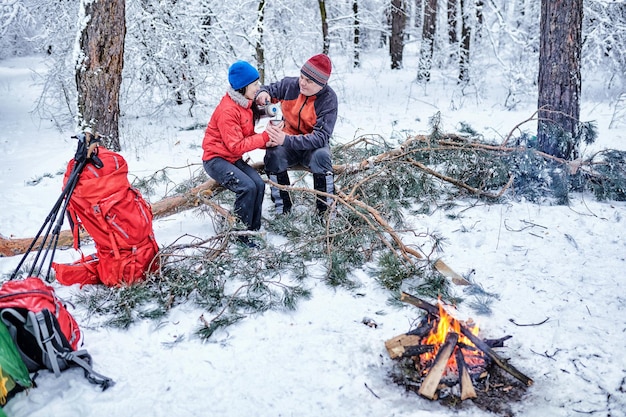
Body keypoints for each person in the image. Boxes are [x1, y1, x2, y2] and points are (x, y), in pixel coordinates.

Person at [255, 54, 338, 216]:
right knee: (272, 154)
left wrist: (286, 139)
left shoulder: (328, 99)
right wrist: (263, 93)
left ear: (322, 84)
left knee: (322, 157)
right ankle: (282, 208)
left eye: (309, 81)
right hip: (287, 143)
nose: (302, 83)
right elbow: (268, 89)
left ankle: (326, 212)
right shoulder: (290, 85)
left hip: (313, 146)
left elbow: (321, 137)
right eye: (301, 77)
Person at [202, 61, 270, 247]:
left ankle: (253, 229)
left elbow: (245, 137)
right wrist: (264, 138)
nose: (258, 87)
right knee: (247, 187)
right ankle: (240, 235)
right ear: (243, 87)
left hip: (230, 157)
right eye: (255, 84)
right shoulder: (228, 110)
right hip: (216, 159)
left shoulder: (244, 105)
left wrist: (268, 140)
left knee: (258, 184)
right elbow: (236, 146)